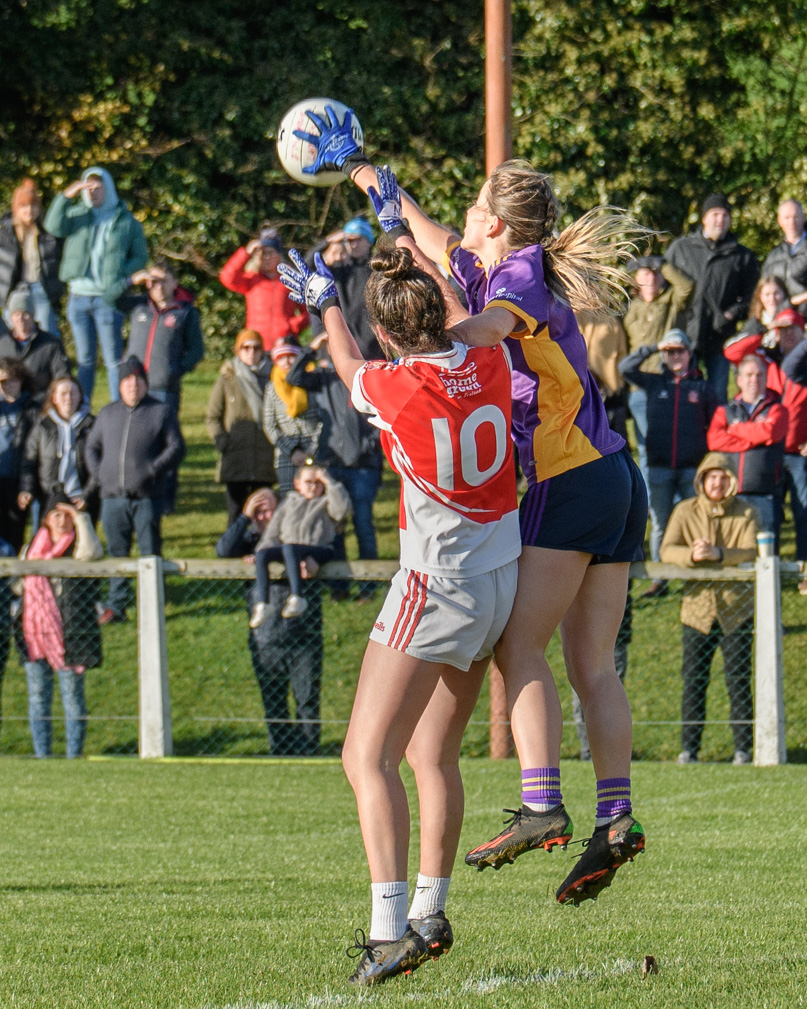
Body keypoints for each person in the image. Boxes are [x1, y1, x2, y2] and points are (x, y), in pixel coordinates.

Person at [297, 122, 653, 907]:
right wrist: (362, 172)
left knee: (516, 648)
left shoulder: (516, 278)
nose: (460, 214)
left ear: (495, 221)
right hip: (618, 477)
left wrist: (425, 337)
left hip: (568, 478)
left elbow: (479, 329)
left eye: (474, 202)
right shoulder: (493, 258)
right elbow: (425, 232)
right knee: (592, 663)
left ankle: (539, 802)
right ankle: (616, 815)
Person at [281, 226, 521, 982]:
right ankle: (428, 910)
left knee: (365, 756)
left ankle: (389, 930)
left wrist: (325, 304)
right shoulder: (488, 358)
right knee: (430, 755)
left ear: (389, 330)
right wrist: (423, 259)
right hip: (497, 579)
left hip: (436, 580)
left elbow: (347, 361)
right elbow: (481, 319)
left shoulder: (394, 383)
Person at [659, 453, 759, 765]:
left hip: (736, 610)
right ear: (701, 479)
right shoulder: (684, 510)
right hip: (697, 611)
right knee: (693, 680)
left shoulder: (747, 512)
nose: (717, 482)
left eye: (723, 477)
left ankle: (744, 749)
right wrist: (693, 555)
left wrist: (719, 553)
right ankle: (689, 749)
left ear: (731, 481)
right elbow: (666, 550)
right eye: (711, 476)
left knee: (738, 679)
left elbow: (751, 550)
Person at [216, 488, 325, 755]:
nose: (264, 516)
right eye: (258, 512)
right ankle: (281, 750)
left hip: (304, 634)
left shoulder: (298, 535)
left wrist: (315, 559)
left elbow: (331, 546)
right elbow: (223, 550)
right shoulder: (249, 539)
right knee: (273, 702)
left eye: (269, 510)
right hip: (265, 638)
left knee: (307, 699)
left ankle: (308, 751)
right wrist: (243, 517)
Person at [84, 357, 184, 624]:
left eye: (138, 381)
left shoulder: (160, 411)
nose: (132, 386)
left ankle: (152, 604)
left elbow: (175, 448)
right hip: (112, 497)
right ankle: (117, 606)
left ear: (145, 384)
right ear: (120, 385)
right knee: (118, 553)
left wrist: (152, 470)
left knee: (149, 552)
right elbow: (91, 448)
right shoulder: (107, 414)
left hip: (146, 497)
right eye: (127, 381)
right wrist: (100, 474)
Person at [619, 329, 718, 595]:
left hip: (692, 468)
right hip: (660, 466)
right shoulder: (654, 383)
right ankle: (661, 578)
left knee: (695, 522)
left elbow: (716, 426)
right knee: (661, 522)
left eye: (679, 351)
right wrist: (653, 346)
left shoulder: (703, 387)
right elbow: (625, 367)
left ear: (689, 354)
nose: (674, 356)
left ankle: (693, 574)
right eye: (669, 351)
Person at [43, 167, 148, 402]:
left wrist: (121, 274)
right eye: (88, 189)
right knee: (84, 359)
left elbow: (140, 257)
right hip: (78, 297)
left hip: (107, 298)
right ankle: (82, 407)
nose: (93, 193)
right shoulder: (78, 214)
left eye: (98, 188)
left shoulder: (125, 220)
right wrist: (67, 195)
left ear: (108, 188)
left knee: (112, 359)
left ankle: (116, 408)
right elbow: (52, 226)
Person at [724, 307, 807, 592]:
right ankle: (760, 569)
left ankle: (804, 568)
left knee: (803, 509)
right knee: (765, 510)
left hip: (797, 450)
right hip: (766, 450)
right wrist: (763, 330)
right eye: (782, 331)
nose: (787, 335)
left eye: (793, 329)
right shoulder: (763, 360)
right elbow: (733, 353)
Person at [285, 334, 384, 570]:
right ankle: (338, 583)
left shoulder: (367, 375)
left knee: (363, 523)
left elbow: (381, 415)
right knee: (334, 526)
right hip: (332, 463)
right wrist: (311, 348)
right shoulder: (324, 378)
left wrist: (368, 445)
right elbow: (294, 377)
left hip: (363, 466)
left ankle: (368, 584)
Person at [19, 492, 103, 758]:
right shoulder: (31, 548)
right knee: (38, 697)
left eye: (66, 514)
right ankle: (42, 755)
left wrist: (81, 518)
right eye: (56, 514)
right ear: (45, 519)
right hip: (34, 634)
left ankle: (73, 756)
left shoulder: (78, 544)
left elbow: (91, 553)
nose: (62, 520)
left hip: (70, 632)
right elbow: (17, 583)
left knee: (72, 698)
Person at [665, 193, 759, 402]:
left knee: (717, 393)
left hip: (720, 335)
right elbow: (663, 285)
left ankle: (717, 434)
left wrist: (731, 313)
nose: (720, 220)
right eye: (715, 214)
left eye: (725, 215)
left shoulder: (742, 256)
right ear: (704, 218)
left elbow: (753, 297)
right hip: (686, 333)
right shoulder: (681, 248)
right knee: (683, 394)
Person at [622, 255, 695, 479]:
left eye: (654, 274)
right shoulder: (629, 308)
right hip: (639, 386)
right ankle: (648, 501)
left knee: (670, 442)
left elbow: (687, 287)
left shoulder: (671, 302)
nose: (651, 278)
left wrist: (662, 265)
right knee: (645, 447)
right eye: (644, 274)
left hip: (666, 383)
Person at [250, 464, 350, 625]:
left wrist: (329, 481)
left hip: (320, 549)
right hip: (292, 552)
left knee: (290, 548)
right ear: (297, 483)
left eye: (318, 483)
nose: (313, 486)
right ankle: (263, 604)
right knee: (263, 554)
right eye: (308, 482)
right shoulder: (288, 504)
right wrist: (259, 552)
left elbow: (342, 511)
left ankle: (297, 597)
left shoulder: (326, 503)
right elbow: (273, 532)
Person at [707, 355, 788, 546]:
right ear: (739, 380)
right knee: (733, 550)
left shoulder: (777, 409)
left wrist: (735, 430)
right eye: (749, 375)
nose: (755, 380)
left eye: (760, 375)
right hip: (730, 496)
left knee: (767, 557)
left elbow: (771, 432)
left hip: (766, 494)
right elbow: (714, 440)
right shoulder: (725, 411)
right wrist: (754, 439)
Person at [205, 329, 276, 525]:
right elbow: (213, 416)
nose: (251, 352)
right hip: (236, 458)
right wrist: (222, 440)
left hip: (264, 458)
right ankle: (234, 553)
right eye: (246, 348)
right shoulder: (227, 379)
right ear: (238, 351)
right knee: (236, 513)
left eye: (256, 348)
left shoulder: (273, 378)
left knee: (263, 515)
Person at [119, 261, 204, 417]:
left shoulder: (185, 313)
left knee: (164, 435)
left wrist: (175, 370)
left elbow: (197, 350)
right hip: (133, 384)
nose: (158, 286)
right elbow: (110, 298)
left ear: (174, 283)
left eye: (164, 281)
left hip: (164, 388)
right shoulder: (139, 306)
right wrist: (131, 280)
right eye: (154, 281)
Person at [18, 375, 97, 524]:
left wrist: (87, 495)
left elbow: (100, 465)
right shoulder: (42, 427)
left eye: (73, 393)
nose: (68, 398)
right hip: (48, 499)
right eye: (63, 393)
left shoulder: (92, 426)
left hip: (80, 499)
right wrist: (27, 489)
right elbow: (29, 462)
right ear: (54, 398)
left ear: (80, 396)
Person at [218, 225, 309, 350]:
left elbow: (309, 310)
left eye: (271, 253)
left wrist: (291, 326)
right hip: (256, 347)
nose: (267, 257)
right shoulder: (251, 280)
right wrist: (246, 253)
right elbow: (227, 278)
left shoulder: (290, 279)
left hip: (284, 345)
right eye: (263, 253)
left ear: (279, 255)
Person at [309, 217, 382, 360]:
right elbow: (308, 265)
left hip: (374, 350)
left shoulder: (378, 270)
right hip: (344, 348)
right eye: (349, 241)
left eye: (357, 239)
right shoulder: (338, 271)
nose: (353, 245)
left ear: (368, 241)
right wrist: (328, 241)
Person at [0, 179, 64, 336]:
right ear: (16, 208)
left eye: (33, 206)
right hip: (14, 291)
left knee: (48, 334)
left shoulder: (47, 231)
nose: (29, 210)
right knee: (12, 337)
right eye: (24, 206)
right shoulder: (6, 233)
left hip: (40, 289)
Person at [261, 342, 322, 495]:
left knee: (315, 497)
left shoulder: (312, 382)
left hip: (314, 450)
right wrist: (292, 450)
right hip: (287, 453)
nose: (287, 362)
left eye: (291, 357)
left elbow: (324, 419)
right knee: (288, 498)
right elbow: (269, 425)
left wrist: (311, 450)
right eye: (282, 358)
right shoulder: (271, 388)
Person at [0, 286, 70, 405]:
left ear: (33, 315)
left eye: (25, 314)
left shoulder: (51, 344)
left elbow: (62, 377)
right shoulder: (3, 344)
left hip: (41, 404)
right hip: (7, 406)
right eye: (16, 314)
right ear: (11, 318)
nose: (21, 319)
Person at [0, 357, 37, 552]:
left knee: (15, 533)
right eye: (3, 381)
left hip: (17, 480)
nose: (8, 385)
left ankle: (13, 579)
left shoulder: (32, 409)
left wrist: (27, 486)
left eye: (13, 379)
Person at [762, 199, 807, 311]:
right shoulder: (773, 257)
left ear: (803, 217)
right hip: (783, 320)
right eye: (787, 218)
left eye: (795, 217)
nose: (791, 222)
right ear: (779, 221)